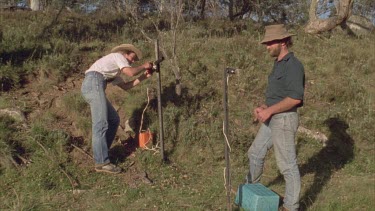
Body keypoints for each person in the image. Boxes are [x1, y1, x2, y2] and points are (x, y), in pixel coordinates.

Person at [246, 24, 305, 211]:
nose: (267, 46)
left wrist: (270, 111)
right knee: (255, 153)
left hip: (284, 119)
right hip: (274, 117)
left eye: (270, 43)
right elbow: (280, 95)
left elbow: (295, 97)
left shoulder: (294, 65)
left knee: (287, 166)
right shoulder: (278, 64)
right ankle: (251, 191)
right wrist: (264, 107)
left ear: (283, 42)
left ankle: (290, 207)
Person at [81, 44, 153, 174]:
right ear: (126, 53)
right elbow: (130, 72)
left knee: (113, 120)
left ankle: (103, 154)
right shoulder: (117, 56)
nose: (132, 61)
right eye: (132, 58)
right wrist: (144, 66)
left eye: (135, 60)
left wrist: (144, 77)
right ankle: (102, 162)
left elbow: (126, 86)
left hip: (95, 84)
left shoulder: (114, 71)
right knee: (100, 123)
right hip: (93, 82)